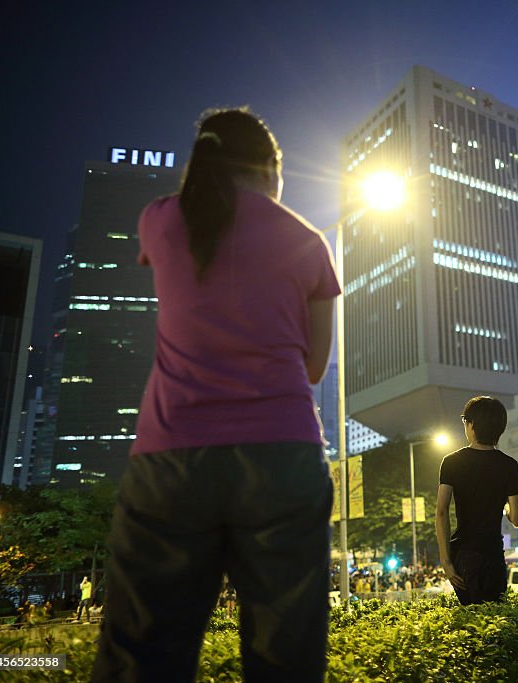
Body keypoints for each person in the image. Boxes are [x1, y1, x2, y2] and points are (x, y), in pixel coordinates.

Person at [92, 108, 339, 683]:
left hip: (170, 460)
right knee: (288, 658)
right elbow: (313, 366)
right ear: (272, 169)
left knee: (142, 653)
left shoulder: (160, 220)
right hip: (283, 460)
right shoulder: (307, 240)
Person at [436, 396, 518, 605]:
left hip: (464, 553)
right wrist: (500, 503)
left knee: (473, 625)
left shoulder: (451, 462)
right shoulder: (509, 465)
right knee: (495, 621)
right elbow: (517, 519)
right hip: (493, 553)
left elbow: (441, 512)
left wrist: (445, 560)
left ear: (471, 424)